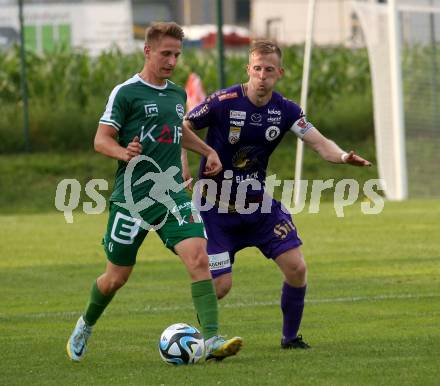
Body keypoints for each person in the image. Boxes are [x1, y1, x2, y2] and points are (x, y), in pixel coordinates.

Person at [66, 22, 242, 362]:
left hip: (172, 193)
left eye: (177, 54)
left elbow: (177, 132)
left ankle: (211, 339)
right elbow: (101, 140)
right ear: (147, 51)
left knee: (199, 259)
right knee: (116, 278)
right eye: (165, 54)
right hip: (132, 198)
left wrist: (206, 151)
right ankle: (86, 323)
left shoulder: (177, 94)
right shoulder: (126, 92)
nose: (172, 61)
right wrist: (123, 152)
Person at [183, 39, 371, 349]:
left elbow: (320, 143)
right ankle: (199, 340)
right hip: (214, 210)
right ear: (249, 69)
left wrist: (341, 157)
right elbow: (183, 126)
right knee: (220, 286)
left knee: (296, 267)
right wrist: (188, 166)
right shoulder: (223, 100)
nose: (262, 75)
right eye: (257, 69)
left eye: (269, 70)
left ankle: (290, 338)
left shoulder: (285, 110)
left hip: (257, 207)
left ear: (279, 73)